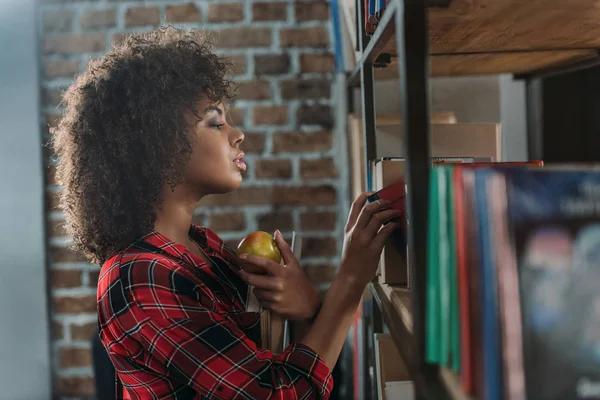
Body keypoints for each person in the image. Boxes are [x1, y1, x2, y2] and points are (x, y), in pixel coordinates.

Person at [51, 27, 402, 399]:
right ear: (159, 142)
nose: (237, 135)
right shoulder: (139, 276)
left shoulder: (207, 249)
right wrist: (350, 282)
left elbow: (281, 364)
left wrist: (305, 307)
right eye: (216, 122)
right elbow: (277, 393)